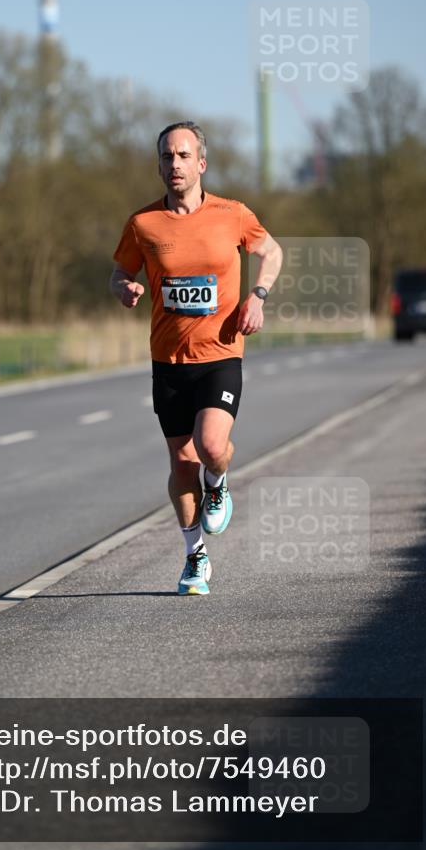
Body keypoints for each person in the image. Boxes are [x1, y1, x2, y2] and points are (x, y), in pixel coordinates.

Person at [110, 121, 282, 595]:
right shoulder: (143, 224)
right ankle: (195, 557)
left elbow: (271, 251)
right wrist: (124, 287)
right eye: (167, 157)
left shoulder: (232, 214)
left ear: (201, 163)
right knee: (180, 463)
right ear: (159, 165)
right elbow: (119, 270)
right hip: (168, 361)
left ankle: (220, 478)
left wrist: (258, 295)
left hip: (221, 353)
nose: (175, 165)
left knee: (209, 447)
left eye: (183, 156)